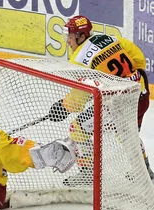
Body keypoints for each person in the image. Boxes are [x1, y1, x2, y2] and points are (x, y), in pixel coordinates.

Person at [55, 15, 154, 185]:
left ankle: (87, 172)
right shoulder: (108, 38)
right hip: (141, 95)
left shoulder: (79, 59)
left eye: (70, 37)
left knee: (77, 128)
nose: (67, 42)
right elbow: (139, 59)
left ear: (81, 36)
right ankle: (145, 171)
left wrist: (63, 107)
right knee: (128, 135)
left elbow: (78, 101)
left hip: (118, 104)